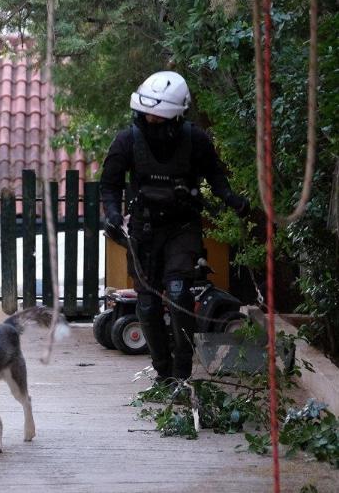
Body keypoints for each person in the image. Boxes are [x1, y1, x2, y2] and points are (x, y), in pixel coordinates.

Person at [100, 71, 249, 383]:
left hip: (183, 227)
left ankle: (182, 371)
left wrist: (232, 199)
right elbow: (110, 185)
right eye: (146, 115)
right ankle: (163, 372)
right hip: (144, 230)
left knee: (180, 296)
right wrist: (113, 214)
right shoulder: (127, 140)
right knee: (147, 304)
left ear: (175, 117)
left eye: (157, 117)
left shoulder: (196, 140)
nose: (150, 121)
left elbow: (216, 177)